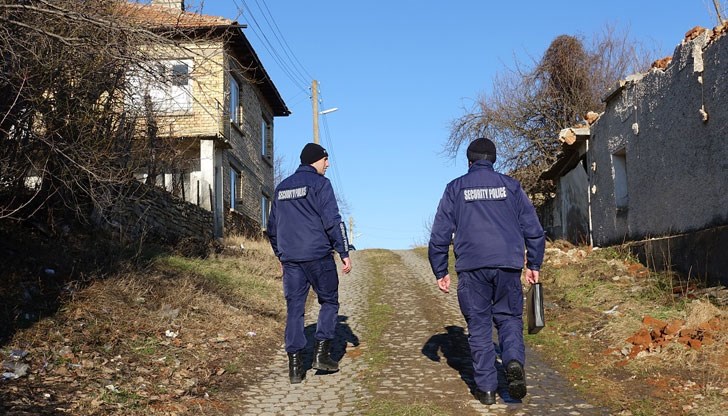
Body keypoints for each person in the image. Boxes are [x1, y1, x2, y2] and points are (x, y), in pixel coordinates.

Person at [427, 138, 545, 405]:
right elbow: (534, 229)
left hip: (472, 268)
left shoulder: (455, 188)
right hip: (507, 265)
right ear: (493, 160)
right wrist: (534, 264)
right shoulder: (511, 186)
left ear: (469, 161)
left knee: (479, 326)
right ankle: (513, 360)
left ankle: (487, 389)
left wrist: (440, 269)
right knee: (509, 318)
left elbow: (440, 234)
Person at [266, 142, 352, 384]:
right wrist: (343, 251)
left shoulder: (281, 188)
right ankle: (321, 355)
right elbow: (333, 220)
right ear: (316, 160)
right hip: (318, 255)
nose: (328, 164)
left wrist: (280, 255)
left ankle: (295, 368)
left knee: (295, 308)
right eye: (326, 159)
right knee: (329, 300)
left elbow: (272, 228)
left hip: (291, 259)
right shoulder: (320, 184)